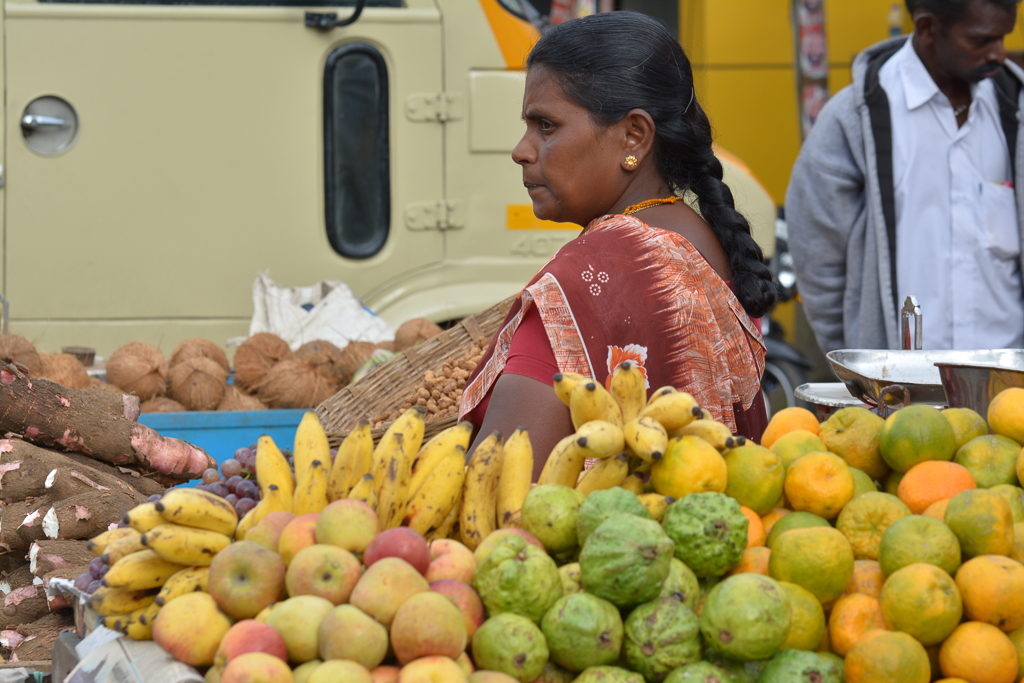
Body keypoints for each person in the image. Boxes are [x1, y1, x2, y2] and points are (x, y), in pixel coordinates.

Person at [458, 12, 777, 478]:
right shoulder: (702, 240)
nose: (521, 150)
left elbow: (492, 487)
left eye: (546, 126)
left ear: (634, 135)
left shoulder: (588, 275)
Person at [786, 0, 1024, 353]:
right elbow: (818, 259)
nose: (999, 54)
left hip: (1011, 388)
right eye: (982, 40)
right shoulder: (851, 120)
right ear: (928, 28)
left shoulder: (1014, 110)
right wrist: (860, 361)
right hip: (900, 394)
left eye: (1003, 37)